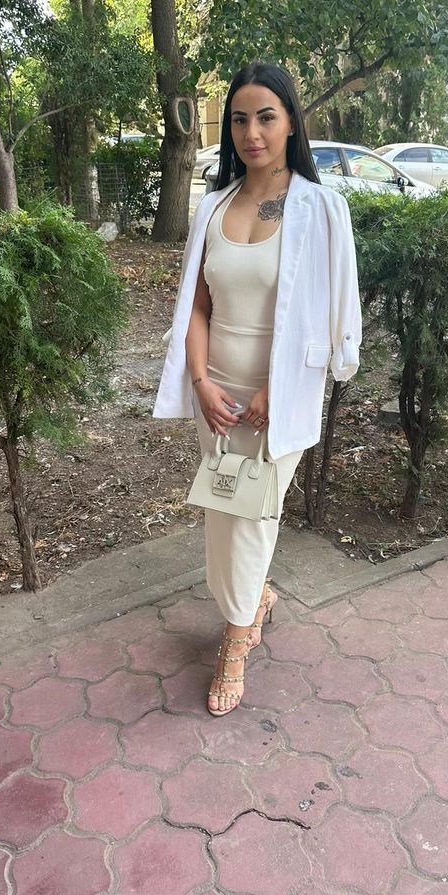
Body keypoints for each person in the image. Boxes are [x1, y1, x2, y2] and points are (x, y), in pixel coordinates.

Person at [153, 62, 362, 716]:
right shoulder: (213, 206)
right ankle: (255, 598)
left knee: (252, 513)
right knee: (227, 507)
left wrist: (278, 384)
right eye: (239, 119)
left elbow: (329, 311)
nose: (252, 132)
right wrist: (198, 381)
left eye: (266, 117)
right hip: (216, 393)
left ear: (291, 121)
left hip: (281, 393)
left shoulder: (320, 209)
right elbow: (196, 305)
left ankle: (236, 638)